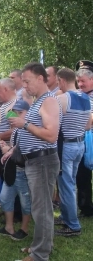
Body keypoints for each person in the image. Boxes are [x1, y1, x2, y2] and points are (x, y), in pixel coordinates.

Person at [8, 62, 61, 261]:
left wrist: (25, 124)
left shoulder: (49, 101)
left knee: (42, 210)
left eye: (27, 81)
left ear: (40, 78)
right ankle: (41, 246)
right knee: (40, 208)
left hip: (43, 161)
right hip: (35, 162)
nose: (25, 85)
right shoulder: (38, 100)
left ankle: (40, 255)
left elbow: (51, 135)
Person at [54, 67, 91, 236]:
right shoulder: (85, 97)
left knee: (66, 186)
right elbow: (88, 124)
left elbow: (54, 125)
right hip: (79, 143)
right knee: (71, 183)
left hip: (66, 146)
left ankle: (73, 225)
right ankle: (66, 216)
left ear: (61, 80)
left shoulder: (62, 99)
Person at [0, 100, 32, 241]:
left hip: (23, 170)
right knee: (5, 198)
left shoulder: (29, 128)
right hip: (12, 170)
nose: (16, 115)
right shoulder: (16, 128)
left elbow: (25, 150)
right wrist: (7, 146)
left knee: (25, 202)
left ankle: (24, 228)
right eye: (15, 112)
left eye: (20, 112)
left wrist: (8, 150)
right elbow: (15, 146)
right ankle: (9, 227)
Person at [0, 78, 17, 206]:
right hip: (2, 147)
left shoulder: (12, 107)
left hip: (7, 149)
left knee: (9, 180)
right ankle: (7, 208)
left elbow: (15, 129)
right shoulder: (5, 105)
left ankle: (13, 210)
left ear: (6, 89)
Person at [75, 60, 93, 217]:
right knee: (83, 174)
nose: (80, 84)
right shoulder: (76, 95)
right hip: (82, 140)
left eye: (83, 81)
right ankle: (86, 207)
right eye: (78, 81)